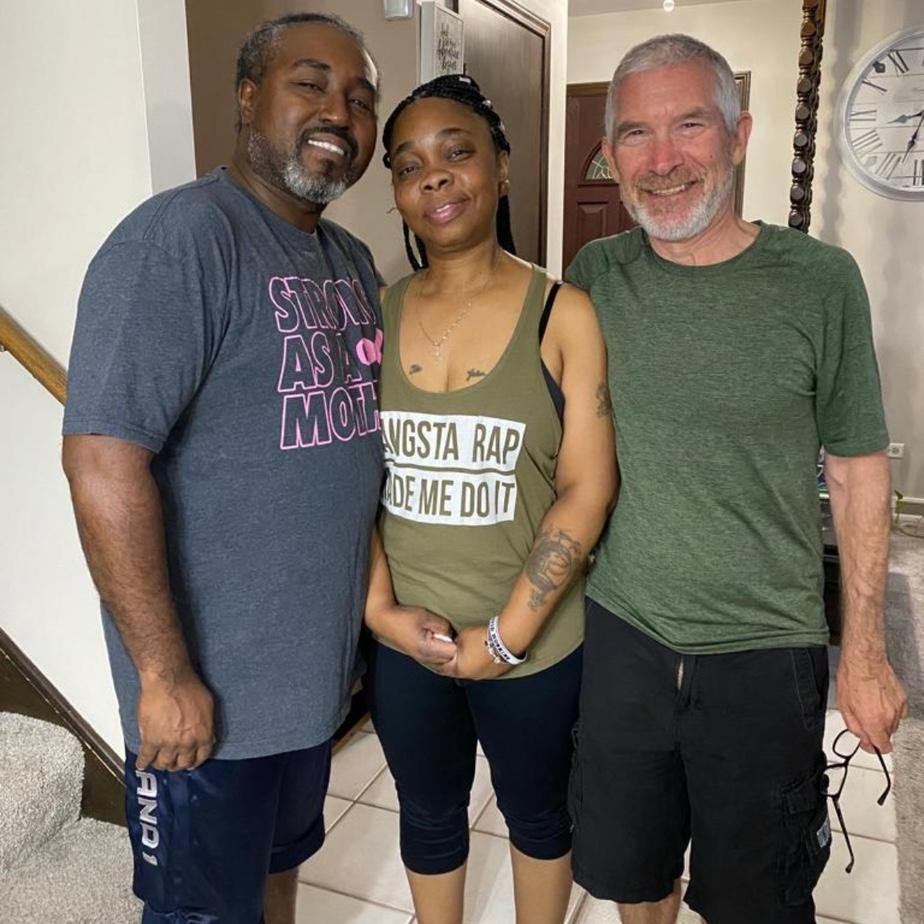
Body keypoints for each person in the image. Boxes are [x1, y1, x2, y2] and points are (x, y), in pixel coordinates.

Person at [564, 33, 908, 924]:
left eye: (689, 125)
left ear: (739, 134)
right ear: (609, 155)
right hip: (623, 637)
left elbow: (858, 470)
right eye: (635, 134)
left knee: (759, 899)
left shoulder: (819, 282)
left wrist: (865, 652)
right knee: (637, 878)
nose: (663, 160)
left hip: (766, 651)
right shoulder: (596, 276)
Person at [62, 13, 383, 924]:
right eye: (310, 84)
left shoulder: (349, 260)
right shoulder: (180, 241)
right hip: (203, 702)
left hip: (306, 686)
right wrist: (163, 677)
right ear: (248, 98)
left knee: (278, 874)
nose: (339, 112)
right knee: (199, 913)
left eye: (361, 99)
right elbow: (101, 462)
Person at [362, 74, 617, 924]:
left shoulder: (563, 312)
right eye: (409, 165)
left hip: (534, 646)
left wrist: (506, 637)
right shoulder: (376, 313)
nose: (433, 176)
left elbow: (587, 487)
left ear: (501, 168)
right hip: (409, 645)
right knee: (428, 815)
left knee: (537, 814)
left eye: (456, 152)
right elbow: (350, 483)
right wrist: (380, 614)